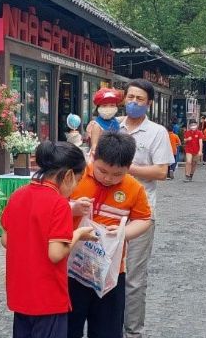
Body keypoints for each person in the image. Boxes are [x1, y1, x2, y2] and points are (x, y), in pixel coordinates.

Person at [1, 141, 97, 338]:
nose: (76, 187)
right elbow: (55, 254)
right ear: (69, 175)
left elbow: (5, 240)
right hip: (48, 296)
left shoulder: (18, 195)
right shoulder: (59, 204)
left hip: (20, 293)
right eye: (78, 181)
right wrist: (78, 234)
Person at [68, 132, 153, 338]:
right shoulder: (74, 177)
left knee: (107, 330)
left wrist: (124, 233)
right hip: (71, 269)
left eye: (117, 175)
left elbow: (144, 219)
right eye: (102, 171)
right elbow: (51, 207)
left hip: (110, 273)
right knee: (68, 327)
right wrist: (72, 208)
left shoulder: (133, 187)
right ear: (93, 156)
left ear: (128, 166)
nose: (108, 178)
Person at [118, 79, 175, 338]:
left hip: (141, 213)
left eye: (139, 99)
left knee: (133, 278)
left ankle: (133, 332)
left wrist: (127, 169)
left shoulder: (157, 132)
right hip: (108, 210)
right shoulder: (113, 127)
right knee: (105, 271)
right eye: (130, 97)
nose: (133, 102)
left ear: (148, 103)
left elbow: (162, 171)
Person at [86, 87, 123, 157]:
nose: (108, 108)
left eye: (112, 105)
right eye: (104, 105)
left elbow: (125, 118)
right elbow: (94, 146)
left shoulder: (115, 120)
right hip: (103, 158)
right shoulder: (97, 125)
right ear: (98, 107)